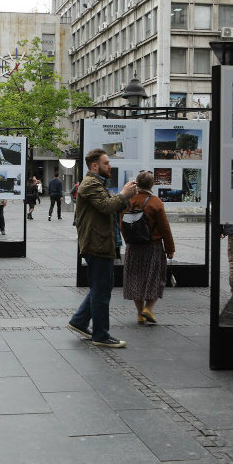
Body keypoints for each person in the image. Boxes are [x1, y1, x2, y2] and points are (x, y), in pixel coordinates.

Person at [67, 148, 136, 348]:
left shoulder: (97, 183)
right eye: (106, 163)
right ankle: (101, 335)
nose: (110, 166)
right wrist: (124, 195)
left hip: (102, 243)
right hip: (97, 245)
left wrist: (125, 198)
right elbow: (106, 206)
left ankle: (79, 321)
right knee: (101, 292)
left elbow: (109, 209)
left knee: (100, 288)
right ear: (95, 166)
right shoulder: (90, 184)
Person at [121, 171, 174, 325]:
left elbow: (122, 224)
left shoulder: (129, 200)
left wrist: (128, 241)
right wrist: (170, 248)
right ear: (152, 184)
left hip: (134, 247)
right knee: (155, 278)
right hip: (153, 247)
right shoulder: (156, 202)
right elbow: (165, 228)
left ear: (137, 183)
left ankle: (139, 314)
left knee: (136, 279)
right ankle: (148, 309)